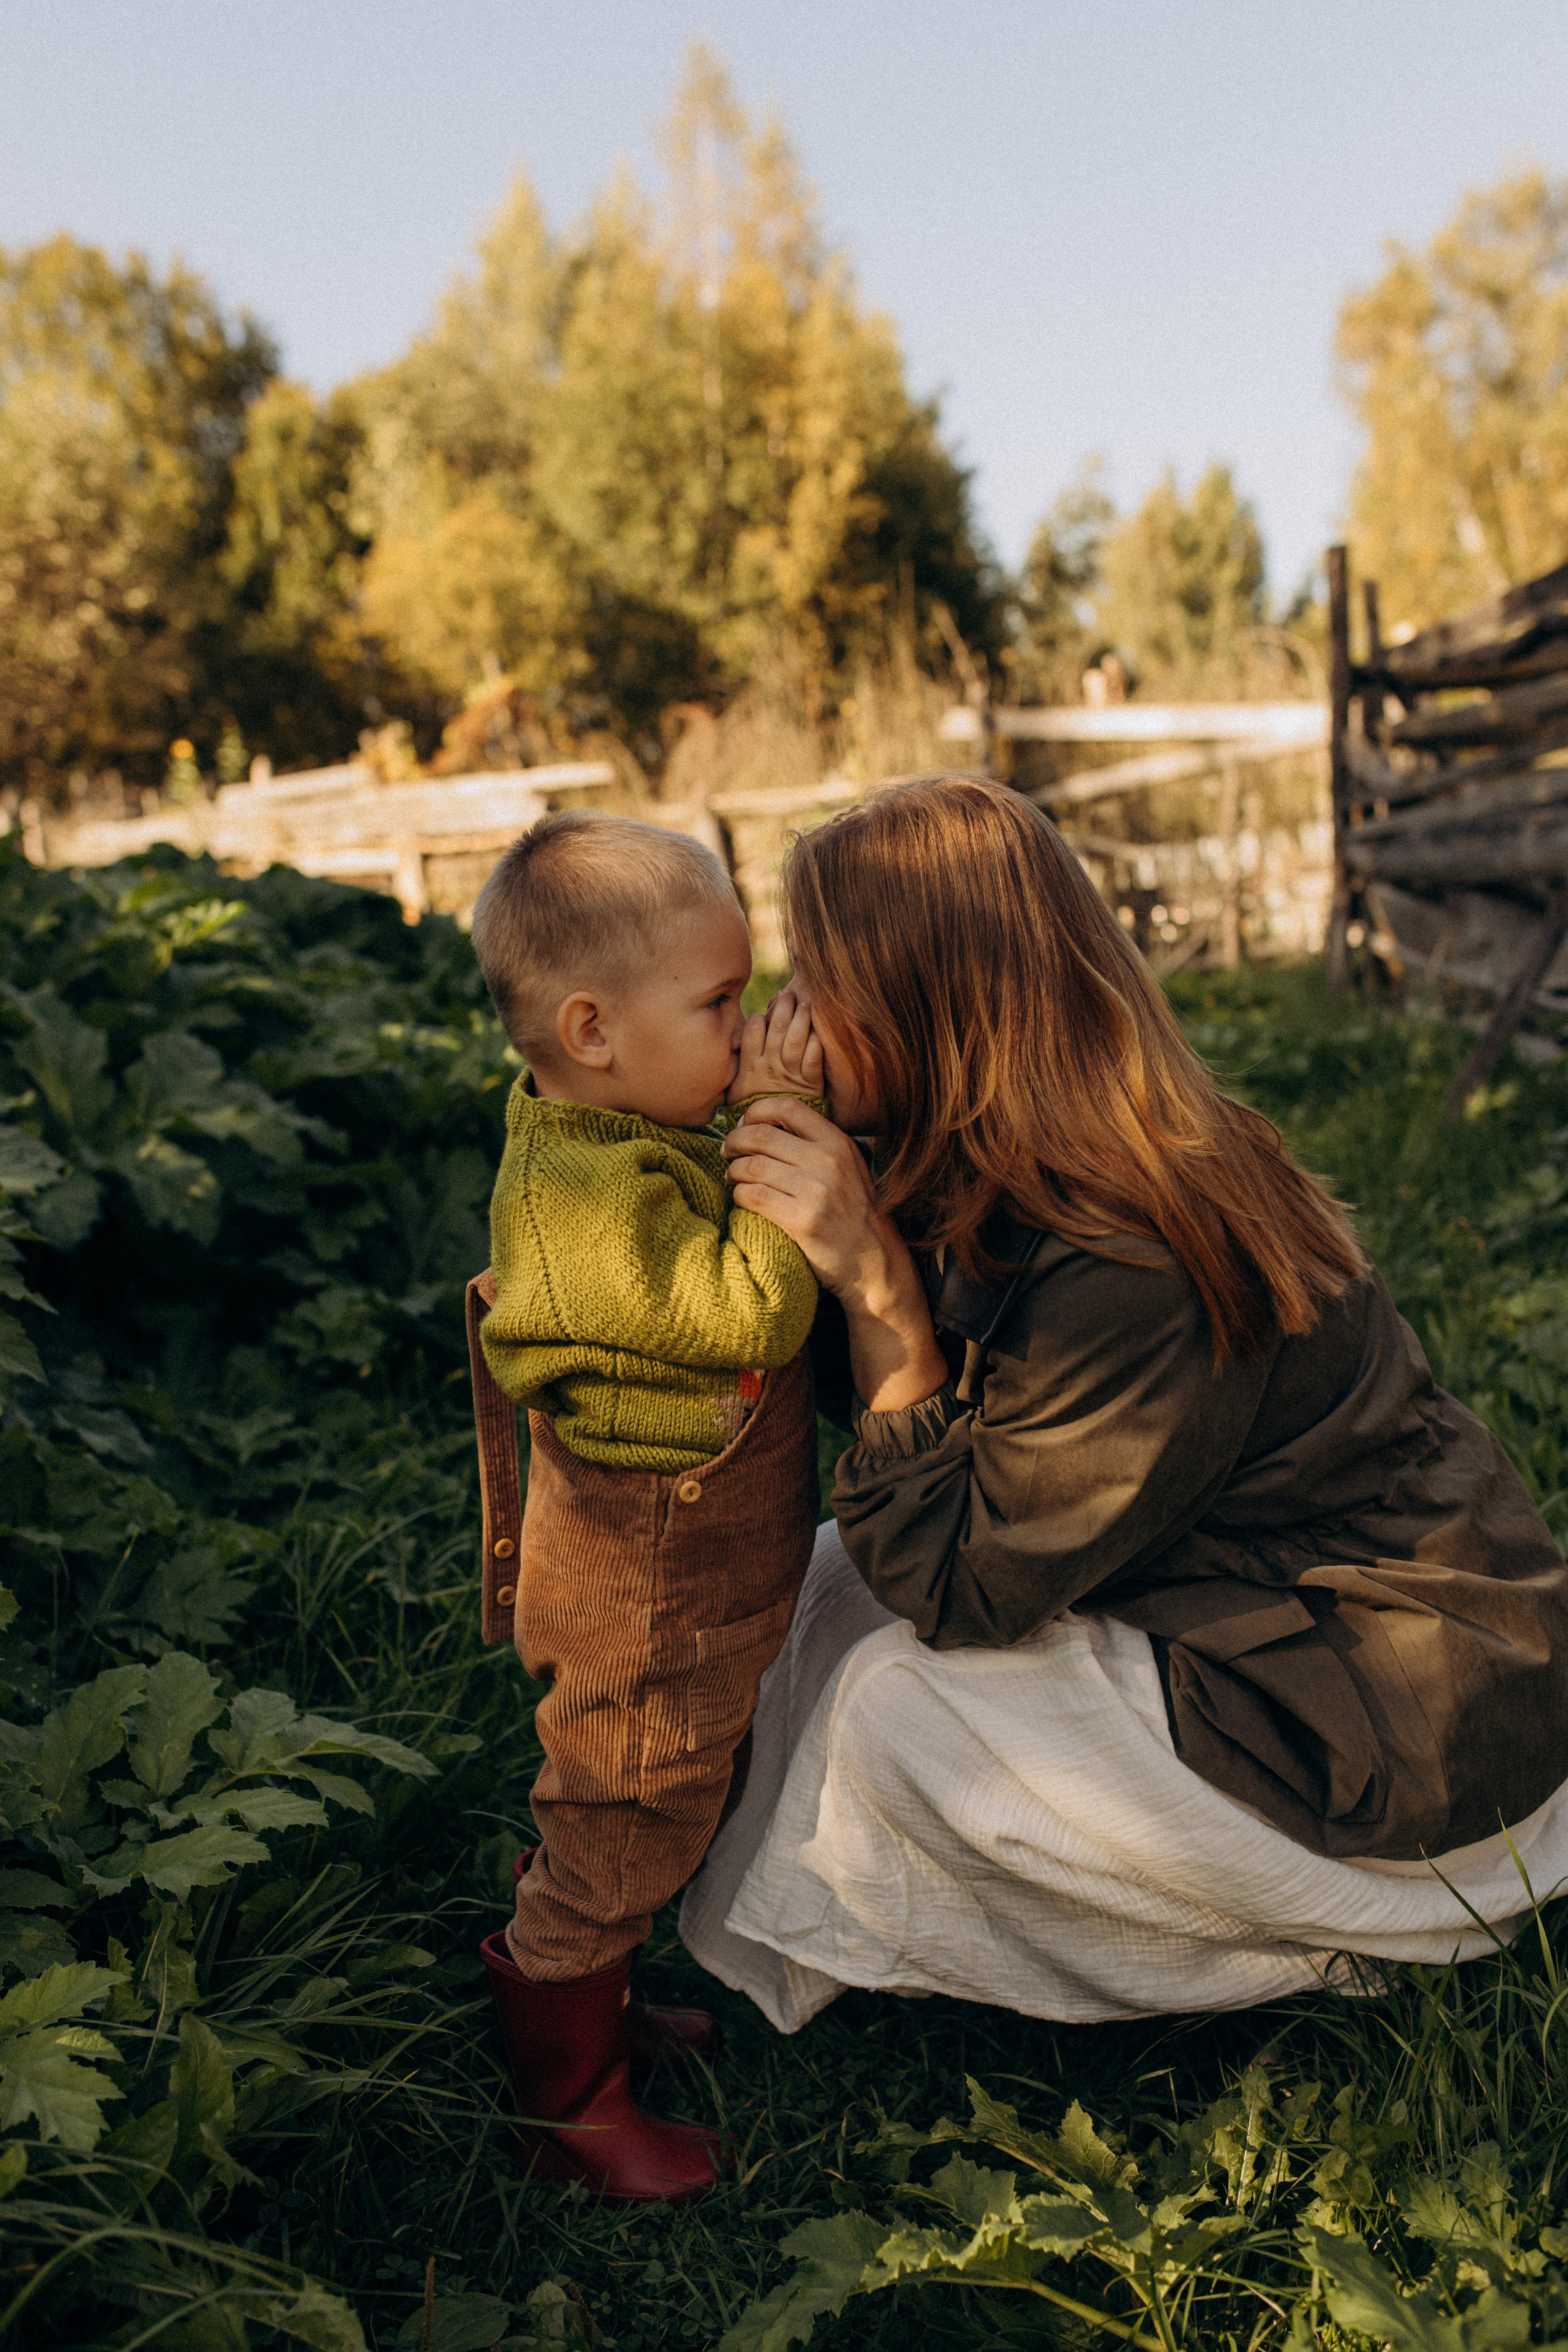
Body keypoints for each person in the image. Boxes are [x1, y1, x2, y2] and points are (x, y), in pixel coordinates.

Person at [682, 771, 1568, 2033]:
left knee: (896, 1709)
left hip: (1404, 1730)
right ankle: (742, 1926)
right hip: (1254, 1609)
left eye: (823, 978)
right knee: (824, 1583)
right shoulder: (990, 1150)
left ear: (925, 1001)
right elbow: (905, 1475)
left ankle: (1316, 1945)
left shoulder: (1138, 1247)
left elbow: (961, 1586)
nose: (791, 1012)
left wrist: (876, 1285)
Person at [466, 810, 825, 2200]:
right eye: (719, 1007)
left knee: (658, 1800)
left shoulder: (620, 1129)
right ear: (593, 1031)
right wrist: (784, 1121)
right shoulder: (579, 1204)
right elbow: (748, 1307)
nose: (742, 1038)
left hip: (689, 1564)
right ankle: (569, 2094)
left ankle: (597, 2002)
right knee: (621, 1807)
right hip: (642, 1584)